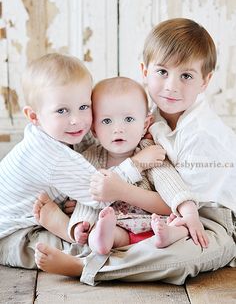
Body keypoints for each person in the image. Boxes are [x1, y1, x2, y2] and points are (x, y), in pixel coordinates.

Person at [35, 19, 235, 285]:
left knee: (188, 254)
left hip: (207, 215)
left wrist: (118, 190)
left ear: (205, 81)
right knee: (109, 227)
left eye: (186, 76)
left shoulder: (202, 136)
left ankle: (86, 266)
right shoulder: (147, 115)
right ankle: (84, 240)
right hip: (154, 214)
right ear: (145, 71)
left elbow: (176, 200)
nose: (171, 86)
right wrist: (88, 193)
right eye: (162, 72)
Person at [0, 53, 164, 269]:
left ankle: (65, 224)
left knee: (98, 230)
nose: (76, 119)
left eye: (84, 107)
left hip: (35, 217)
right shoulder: (49, 155)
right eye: (62, 110)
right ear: (34, 116)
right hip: (16, 236)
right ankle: (65, 236)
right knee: (100, 242)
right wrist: (137, 163)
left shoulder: (65, 131)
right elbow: (101, 192)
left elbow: (95, 152)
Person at [34, 77, 207, 260]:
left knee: (179, 226)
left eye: (129, 119)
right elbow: (88, 199)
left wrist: (189, 212)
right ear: (94, 129)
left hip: (154, 221)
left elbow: (171, 185)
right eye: (107, 121)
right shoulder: (90, 158)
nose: (118, 129)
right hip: (118, 226)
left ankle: (167, 236)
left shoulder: (150, 153)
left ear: (145, 124)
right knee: (97, 234)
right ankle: (102, 240)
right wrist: (79, 225)